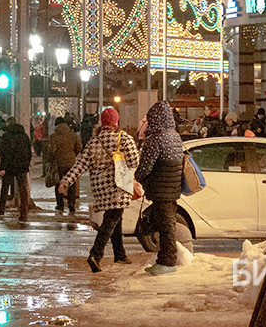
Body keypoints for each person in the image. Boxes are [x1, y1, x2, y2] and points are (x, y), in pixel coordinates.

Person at [58, 106, 139, 272]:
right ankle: (95, 254)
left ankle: (120, 253)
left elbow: (80, 164)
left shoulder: (94, 142)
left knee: (115, 217)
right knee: (112, 218)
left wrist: (66, 181)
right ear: (117, 121)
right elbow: (134, 161)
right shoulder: (124, 138)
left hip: (100, 188)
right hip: (119, 185)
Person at [135, 101, 185, 275]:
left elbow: (145, 168)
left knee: (165, 226)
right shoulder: (175, 136)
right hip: (173, 188)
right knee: (168, 224)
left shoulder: (155, 139)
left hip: (160, 188)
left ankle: (167, 261)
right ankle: (166, 259)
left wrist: (137, 179)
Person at [0, 117, 32, 221]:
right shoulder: (24, 136)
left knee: (5, 187)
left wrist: (2, 167)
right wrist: (27, 164)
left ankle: (1, 208)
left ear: (8, 124)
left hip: (10, 166)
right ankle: (23, 213)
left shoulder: (6, 136)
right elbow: (29, 152)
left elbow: (4, 153)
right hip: (22, 166)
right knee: (23, 189)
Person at [44, 116, 83, 214]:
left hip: (58, 163)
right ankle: (71, 204)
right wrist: (73, 154)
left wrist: (50, 160)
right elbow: (79, 147)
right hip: (70, 162)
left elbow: (51, 150)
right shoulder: (73, 135)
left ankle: (60, 204)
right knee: (71, 183)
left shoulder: (53, 136)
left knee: (58, 182)